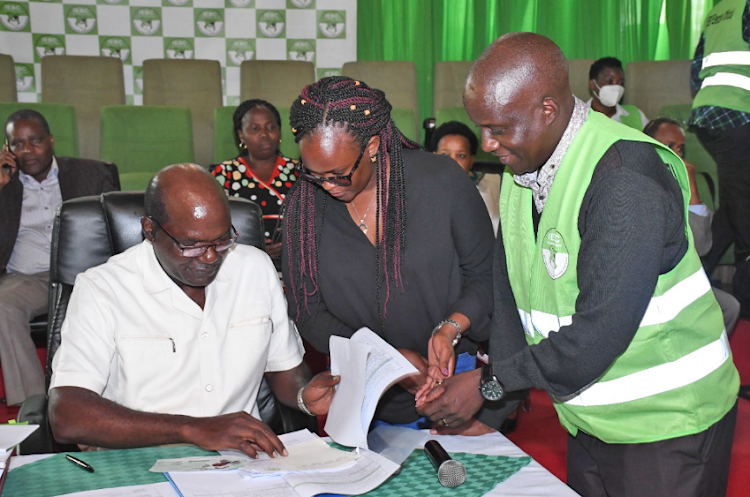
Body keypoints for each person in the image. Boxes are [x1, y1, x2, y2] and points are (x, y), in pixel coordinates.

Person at [417, 33, 739, 497]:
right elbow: (511, 299)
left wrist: (489, 383)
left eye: (499, 128)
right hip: (589, 416)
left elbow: (600, 332)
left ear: (547, 110)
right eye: (481, 127)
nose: (487, 143)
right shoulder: (521, 167)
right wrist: (490, 411)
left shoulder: (625, 178)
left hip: (668, 422)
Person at [48, 164, 339, 457]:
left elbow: (283, 368)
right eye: (191, 245)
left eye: (223, 240)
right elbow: (66, 414)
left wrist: (304, 395)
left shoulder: (254, 268)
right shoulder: (102, 289)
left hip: (242, 464)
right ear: (150, 230)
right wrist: (193, 429)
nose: (211, 256)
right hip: (141, 465)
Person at [282, 76, 511, 434]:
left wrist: (450, 328)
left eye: (339, 174)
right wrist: (382, 357)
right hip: (366, 387)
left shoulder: (441, 182)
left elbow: (487, 276)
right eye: (314, 174)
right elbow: (307, 311)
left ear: (372, 145)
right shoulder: (304, 209)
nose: (326, 186)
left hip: (454, 380)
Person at [0, 109, 117, 407]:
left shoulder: (90, 174)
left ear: (51, 140)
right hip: (25, 279)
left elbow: (112, 229)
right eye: (18, 144)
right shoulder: (4, 185)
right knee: (2, 306)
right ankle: (34, 408)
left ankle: (105, 400)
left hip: (82, 275)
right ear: (7, 148)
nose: (27, 150)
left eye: (35, 141)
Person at [644, 117, 740, 334]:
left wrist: (693, 188)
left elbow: (704, 245)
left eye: (681, 148)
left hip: (678, 279)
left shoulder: (680, 184)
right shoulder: (636, 181)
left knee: (729, 307)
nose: (677, 153)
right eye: (669, 146)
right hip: (647, 282)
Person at [690, 0, 750, 317]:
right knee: (745, 213)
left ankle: (696, 273)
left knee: (735, 201)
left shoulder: (719, 9)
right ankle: (745, 293)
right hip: (737, 115)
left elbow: (695, 68)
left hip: (707, 113)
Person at [211, 99, 298, 269]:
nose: (264, 134)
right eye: (254, 129)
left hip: (294, 262)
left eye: (271, 127)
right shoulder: (223, 174)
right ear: (241, 135)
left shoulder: (300, 172)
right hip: (239, 263)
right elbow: (213, 225)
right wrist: (253, 246)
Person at [430, 121, 501, 236]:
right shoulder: (421, 189)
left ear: (471, 160)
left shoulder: (493, 185)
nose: (452, 162)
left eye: (461, 156)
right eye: (444, 155)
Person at [586, 57, 648, 130]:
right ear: (592, 84)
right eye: (609, 81)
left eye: (620, 82)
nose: (616, 87)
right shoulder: (578, 117)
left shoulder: (636, 115)